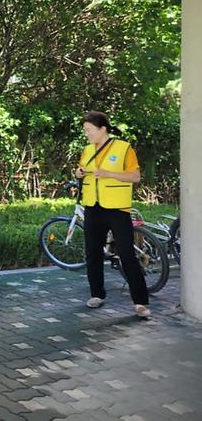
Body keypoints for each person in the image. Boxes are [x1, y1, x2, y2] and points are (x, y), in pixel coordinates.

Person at [76, 111, 150, 318]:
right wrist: (78, 173)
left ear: (102, 129)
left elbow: (135, 176)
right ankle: (97, 294)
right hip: (93, 206)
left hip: (117, 208)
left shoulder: (124, 148)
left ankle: (141, 303)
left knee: (127, 253)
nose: (87, 134)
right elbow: (81, 169)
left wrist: (109, 174)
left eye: (89, 130)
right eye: (85, 131)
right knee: (92, 253)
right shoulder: (87, 150)